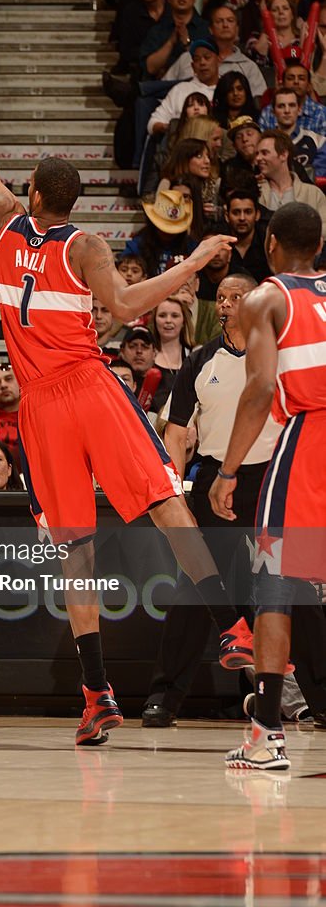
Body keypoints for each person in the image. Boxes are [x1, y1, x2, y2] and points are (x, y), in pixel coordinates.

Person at [0, 14, 253, 747]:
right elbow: (129, 306)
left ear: (31, 192)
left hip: (39, 408)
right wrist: (196, 260)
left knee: (77, 547)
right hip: (87, 388)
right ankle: (230, 628)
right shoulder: (87, 245)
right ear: (72, 201)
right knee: (168, 508)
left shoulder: (4, 224)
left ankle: (95, 692)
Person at [210, 203, 326, 768]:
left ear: (272, 243)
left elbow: (259, 391)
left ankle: (266, 732)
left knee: (275, 587)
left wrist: (228, 471)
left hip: (308, 440)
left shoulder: (268, 298)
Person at [144, 273, 283, 725]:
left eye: (235, 297)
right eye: (220, 298)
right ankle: (165, 698)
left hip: (270, 479)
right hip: (214, 480)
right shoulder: (201, 360)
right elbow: (178, 429)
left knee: (290, 586)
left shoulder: (276, 356)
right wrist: (175, 490)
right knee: (196, 588)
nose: (225, 305)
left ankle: (309, 700)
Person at [255, 130, 326, 234]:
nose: (258, 158)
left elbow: (324, 229)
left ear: (283, 154)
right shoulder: (255, 192)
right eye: (257, 153)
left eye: (264, 153)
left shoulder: (313, 193)